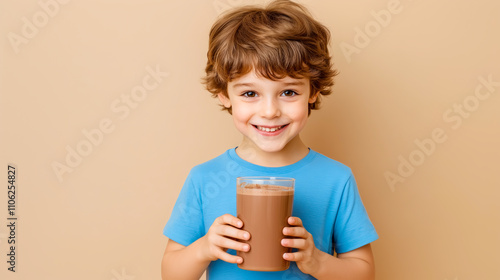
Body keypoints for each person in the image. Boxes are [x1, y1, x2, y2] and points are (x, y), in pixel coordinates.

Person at [161, 1, 378, 279]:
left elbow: (364, 272)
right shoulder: (205, 178)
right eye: (250, 93)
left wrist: (317, 262)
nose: (270, 111)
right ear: (224, 94)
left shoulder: (336, 179)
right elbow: (171, 272)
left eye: (288, 92)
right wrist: (205, 247)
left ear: (313, 91)